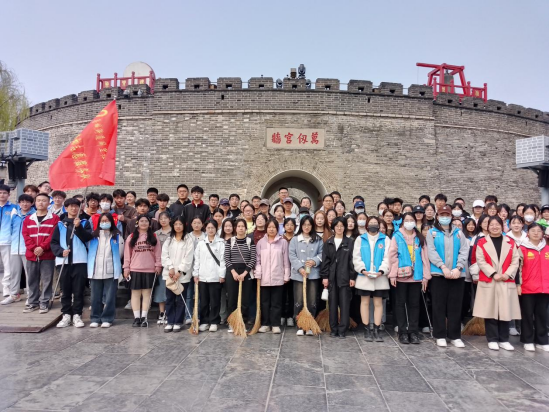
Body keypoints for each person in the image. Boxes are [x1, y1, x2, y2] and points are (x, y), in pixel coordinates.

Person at [473, 216, 521, 351]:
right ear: (487, 227)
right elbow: (480, 260)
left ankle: (504, 339)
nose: (494, 227)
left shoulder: (510, 242)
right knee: (490, 311)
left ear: (502, 226)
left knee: (505, 311)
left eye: (497, 224)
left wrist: (507, 274)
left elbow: (515, 260)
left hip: (506, 280)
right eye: (492, 224)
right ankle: (492, 339)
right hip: (490, 280)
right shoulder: (482, 242)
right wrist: (494, 273)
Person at [426, 205, 470, 348]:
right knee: (438, 305)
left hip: (457, 274)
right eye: (442, 215)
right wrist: (443, 267)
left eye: (447, 215)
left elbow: (464, 250)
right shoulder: (432, 233)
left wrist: (458, 267)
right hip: (439, 274)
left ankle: (455, 335)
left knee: (455, 306)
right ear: (437, 217)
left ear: (451, 217)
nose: (444, 217)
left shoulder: (459, 233)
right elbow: (431, 251)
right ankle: (439, 335)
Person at [388, 213, 431, 344]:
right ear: (402, 222)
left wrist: (426, 276)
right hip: (401, 276)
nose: (409, 222)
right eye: (406, 220)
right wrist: (393, 274)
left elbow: (425, 258)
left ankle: (413, 331)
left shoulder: (419, 237)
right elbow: (392, 256)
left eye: (411, 220)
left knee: (414, 304)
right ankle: (402, 332)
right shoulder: (397, 236)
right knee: (400, 304)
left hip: (416, 276)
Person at [51, 198, 93, 328]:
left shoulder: (84, 223)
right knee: (65, 290)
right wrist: (60, 251)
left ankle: (77, 315)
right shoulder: (60, 224)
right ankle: (66, 315)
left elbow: (88, 238)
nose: (74, 208)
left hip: (80, 261)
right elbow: (54, 242)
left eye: (76, 206)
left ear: (80, 208)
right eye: (71, 206)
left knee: (78, 290)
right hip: (63, 261)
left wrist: (79, 227)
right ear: (66, 208)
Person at [353, 216, 390, 342]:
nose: (373, 225)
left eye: (376, 223)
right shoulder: (360, 239)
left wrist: (381, 271)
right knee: (364, 302)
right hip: (365, 277)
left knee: (378, 303)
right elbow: (356, 257)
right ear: (367, 225)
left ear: (379, 225)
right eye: (371, 223)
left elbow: (387, 257)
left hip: (380, 277)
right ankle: (366, 329)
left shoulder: (385, 239)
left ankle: (377, 329)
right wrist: (363, 270)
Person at [22, 193, 60, 314]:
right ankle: (33, 302)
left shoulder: (54, 218)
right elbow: (25, 235)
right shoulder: (29, 218)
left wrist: (42, 247)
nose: (41, 203)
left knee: (47, 279)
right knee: (32, 280)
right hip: (31, 255)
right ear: (35, 202)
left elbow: (53, 235)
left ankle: (44, 302)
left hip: (47, 255)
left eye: (44, 200)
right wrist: (34, 248)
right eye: (38, 200)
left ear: (49, 203)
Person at [123, 215, 162, 327]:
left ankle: (144, 317)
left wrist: (158, 265)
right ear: (137, 223)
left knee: (147, 294)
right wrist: (126, 268)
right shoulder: (131, 237)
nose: (144, 223)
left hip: (150, 269)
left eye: (146, 221)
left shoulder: (154, 236)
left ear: (149, 224)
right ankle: (136, 318)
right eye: (141, 221)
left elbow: (158, 253)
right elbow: (127, 254)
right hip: (135, 269)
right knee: (135, 294)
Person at [87, 213, 124, 328]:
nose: (104, 223)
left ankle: (107, 318)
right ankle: (95, 318)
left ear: (111, 222)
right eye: (102, 221)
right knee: (95, 297)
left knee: (110, 297)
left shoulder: (117, 236)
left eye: (107, 221)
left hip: (111, 270)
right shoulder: (93, 236)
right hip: (95, 270)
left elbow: (120, 253)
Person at [321, 217, 356, 338]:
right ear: (333, 228)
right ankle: (333, 328)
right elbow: (325, 261)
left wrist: (352, 277)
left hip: (345, 277)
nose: (339, 228)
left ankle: (342, 329)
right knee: (332, 304)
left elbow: (352, 261)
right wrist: (325, 276)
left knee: (345, 304)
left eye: (341, 226)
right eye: (337, 226)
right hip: (331, 277)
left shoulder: (350, 242)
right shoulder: (328, 242)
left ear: (345, 227)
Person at [289, 215, 324, 336]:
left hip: (313, 274)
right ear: (301, 226)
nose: (307, 227)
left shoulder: (318, 239)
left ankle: (309, 324)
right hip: (298, 274)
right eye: (304, 225)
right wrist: (299, 268)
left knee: (312, 300)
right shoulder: (295, 239)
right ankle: (300, 324)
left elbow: (322, 253)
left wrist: (314, 261)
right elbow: (292, 255)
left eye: (309, 225)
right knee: (298, 300)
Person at [255, 218, 291, 334]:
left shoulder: (283, 242)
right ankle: (265, 324)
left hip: (278, 277)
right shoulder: (261, 243)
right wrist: (258, 273)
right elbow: (257, 260)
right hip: (264, 277)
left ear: (277, 229)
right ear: (266, 228)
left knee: (276, 303)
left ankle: (275, 324)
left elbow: (286, 261)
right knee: (264, 302)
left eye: (274, 227)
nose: (271, 229)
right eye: (269, 227)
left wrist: (286, 275)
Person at [518, 223, 549, 352]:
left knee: (542, 315)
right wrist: (518, 284)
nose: (536, 233)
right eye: (533, 231)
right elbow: (518, 269)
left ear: (542, 234)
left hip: (544, 288)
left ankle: (542, 340)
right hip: (527, 288)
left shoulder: (547, 249)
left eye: (538, 231)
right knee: (527, 315)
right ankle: (528, 340)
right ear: (528, 233)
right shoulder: (522, 248)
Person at [1, 195, 34, 305]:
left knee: (29, 273)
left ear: (31, 203)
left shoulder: (34, 215)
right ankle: (14, 294)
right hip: (15, 247)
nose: (25, 204)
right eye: (22, 202)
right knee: (14, 273)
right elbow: (11, 229)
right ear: (19, 203)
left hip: (28, 249)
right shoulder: (14, 214)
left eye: (27, 202)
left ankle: (31, 295)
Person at [224, 219, 257, 333]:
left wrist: (244, 273)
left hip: (246, 272)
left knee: (245, 299)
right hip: (232, 272)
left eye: (243, 226)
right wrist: (233, 272)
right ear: (235, 228)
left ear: (246, 229)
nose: (241, 228)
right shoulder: (230, 241)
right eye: (239, 226)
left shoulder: (250, 241)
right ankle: (232, 323)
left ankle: (243, 322)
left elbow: (253, 258)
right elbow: (227, 258)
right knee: (232, 298)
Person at [194, 220, 226, 333]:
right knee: (204, 301)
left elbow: (223, 260)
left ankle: (214, 321)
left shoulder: (221, 243)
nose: (210, 230)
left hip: (215, 277)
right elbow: (197, 259)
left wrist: (222, 275)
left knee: (215, 301)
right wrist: (196, 274)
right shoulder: (201, 243)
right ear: (205, 229)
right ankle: (204, 321)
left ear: (216, 229)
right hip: (203, 276)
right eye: (208, 228)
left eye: (213, 228)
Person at [153, 212, 172, 324]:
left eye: (165, 218)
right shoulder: (156, 234)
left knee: (171, 289)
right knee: (160, 289)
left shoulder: (174, 233)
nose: (163, 220)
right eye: (161, 219)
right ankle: (161, 312)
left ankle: (170, 312)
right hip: (161, 265)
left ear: (170, 219)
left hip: (172, 266)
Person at [0, 184, 18, 298]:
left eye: (4, 193)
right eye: (0, 193)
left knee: (8, 266)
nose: (2, 195)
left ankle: (6, 287)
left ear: (9, 194)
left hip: (7, 240)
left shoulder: (14, 208)